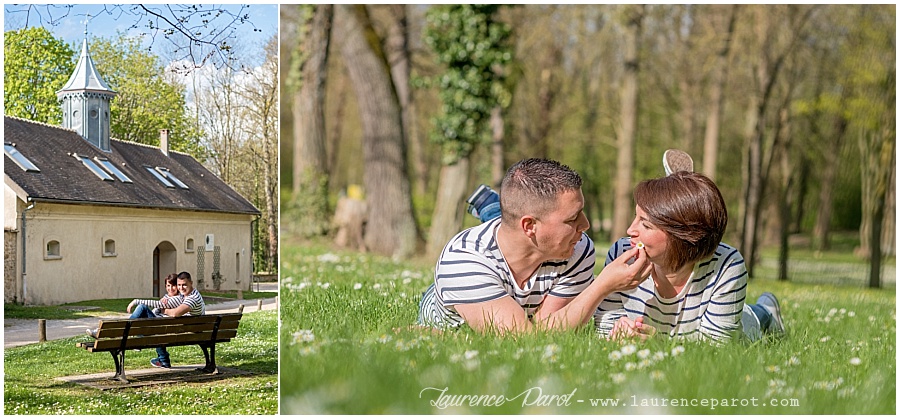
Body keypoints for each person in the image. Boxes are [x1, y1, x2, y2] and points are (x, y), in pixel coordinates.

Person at [417, 158, 652, 334]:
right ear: (529, 225)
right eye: (572, 219)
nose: (586, 225)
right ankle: (491, 210)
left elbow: (549, 330)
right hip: (452, 315)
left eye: (582, 212)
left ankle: (493, 210)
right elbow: (524, 342)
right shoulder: (462, 262)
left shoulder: (576, 248)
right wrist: (602, 285)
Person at [595, 171, 785, 343]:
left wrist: (658, 345)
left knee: (754, 317)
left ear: (682, 237)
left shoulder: (728, 265)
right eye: (635, 218)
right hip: (692, 324)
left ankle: (768, 311)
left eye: (645, 225)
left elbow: (714, 348)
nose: (630, 230)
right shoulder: (622, 254)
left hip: (738, 324)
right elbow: (604, 322)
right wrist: (619, 331)